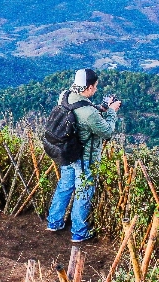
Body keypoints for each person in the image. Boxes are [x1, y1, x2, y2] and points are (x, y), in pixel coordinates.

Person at [45, 68, 121, 243]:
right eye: (94, 87)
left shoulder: (65, 95)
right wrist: (111, 112)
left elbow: (80, 110)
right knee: (83, 191)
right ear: (88, 87)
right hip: (84, 157)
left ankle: (54, 222)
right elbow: (107, 131)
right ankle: (79, 232)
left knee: (65, 185)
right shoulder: (89, 113)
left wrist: (101, 107)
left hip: (66, 152)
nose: (95, 89)